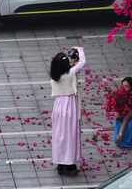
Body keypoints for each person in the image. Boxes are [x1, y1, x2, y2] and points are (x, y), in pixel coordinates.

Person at [50, 46, 85, 176]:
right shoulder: (70, 74)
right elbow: (82, 62)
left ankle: (60, 163)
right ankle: (69, 164)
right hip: (69, 106)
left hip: (58, 106)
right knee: (70, 136)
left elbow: (68, 67)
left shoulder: (54, 76)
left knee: (59, 136)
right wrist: (79, 49)